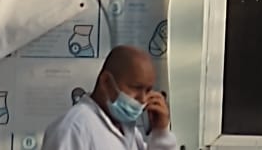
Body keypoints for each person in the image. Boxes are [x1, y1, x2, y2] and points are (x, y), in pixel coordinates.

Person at [42, 45, 177, 150]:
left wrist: (161, 133)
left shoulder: (128, 130)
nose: (143, 99)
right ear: (106, 82)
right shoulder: (73, 129)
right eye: (136, 88)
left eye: (148, 90)